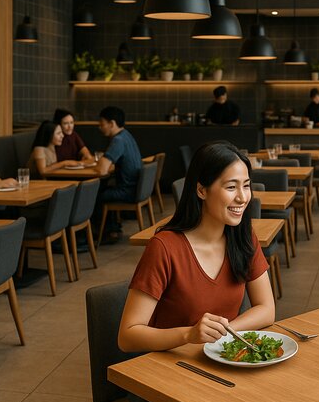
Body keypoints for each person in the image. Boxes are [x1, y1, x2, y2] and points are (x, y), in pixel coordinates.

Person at [118, 141, 275, 352]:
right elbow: (127, 337)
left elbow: (267, 309)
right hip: (171, 366)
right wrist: (189, 334)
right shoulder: (164, 247)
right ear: (201, 190)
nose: (242, 197)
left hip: (220, 359)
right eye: (231, 187)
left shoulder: (243, 237)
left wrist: (223, 334)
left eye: (246, 185)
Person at [93, 106, 142, 244]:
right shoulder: (126, 135)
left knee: (95, 195)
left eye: (102, 123)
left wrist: (101, 162)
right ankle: (111, 229)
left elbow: (102, 170)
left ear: (112, 123)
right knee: (104, 190)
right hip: (135, 188)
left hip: (127, 191)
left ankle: (102, 233)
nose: (100, 127)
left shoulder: (118, 140)